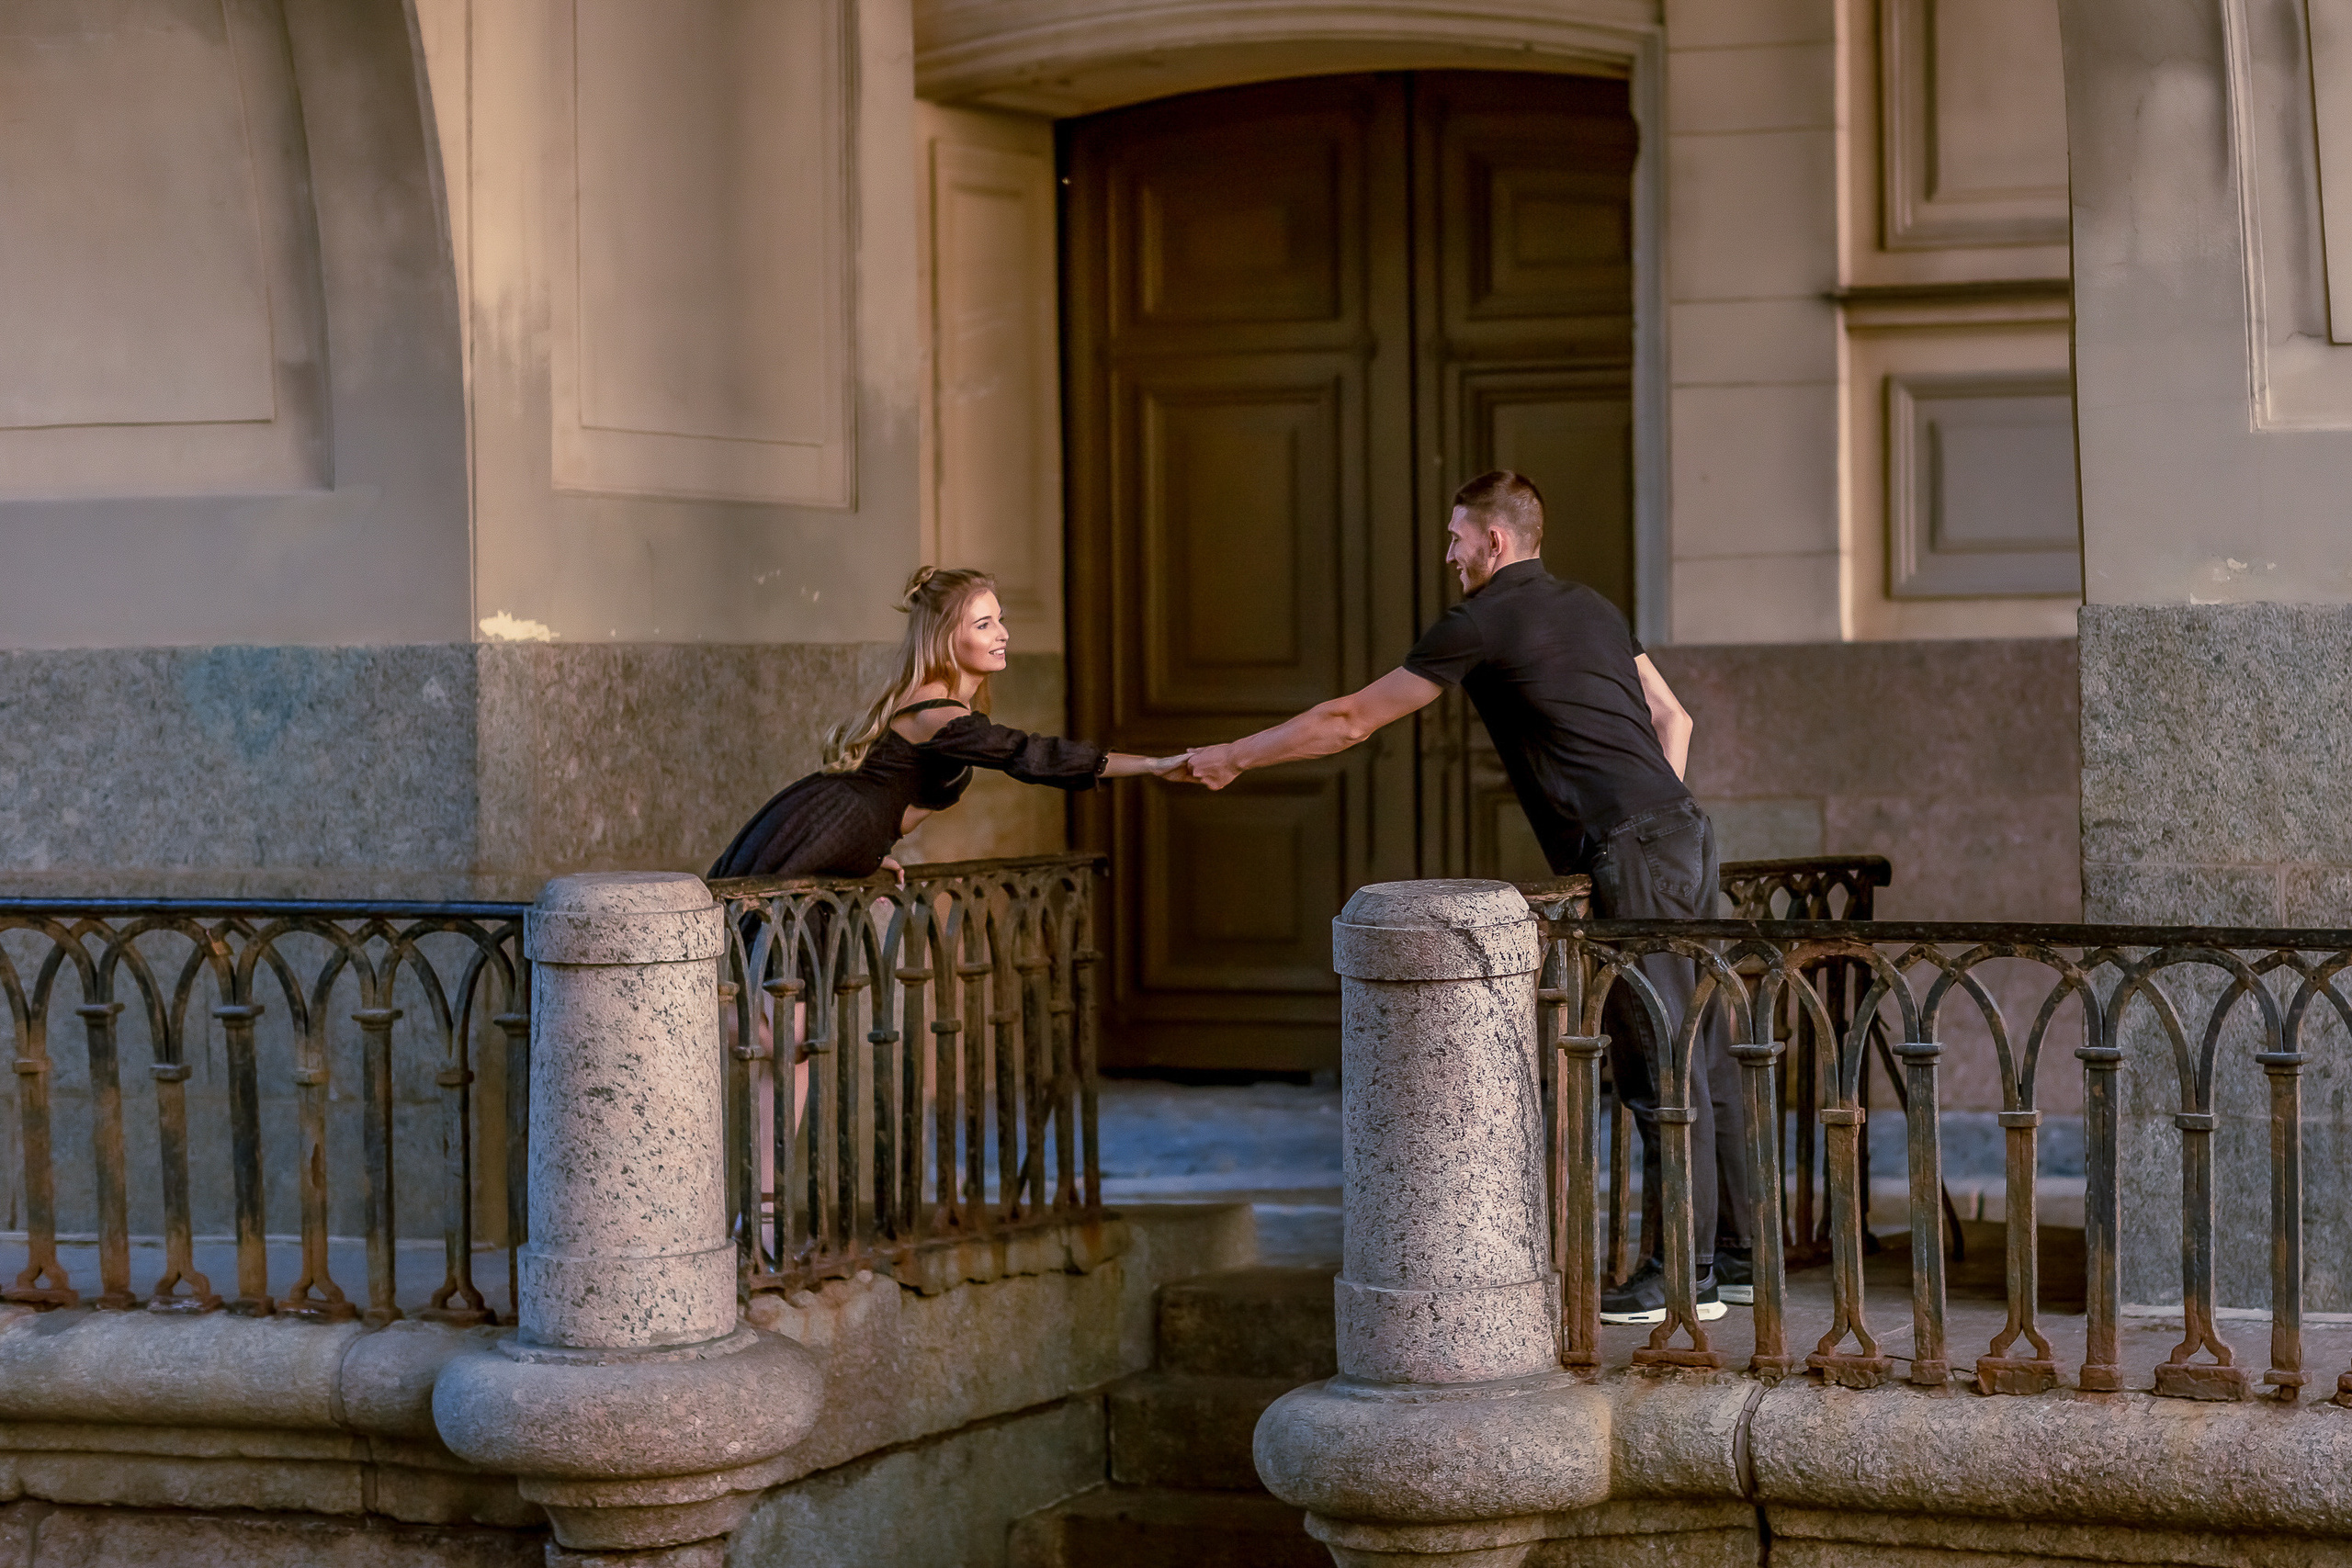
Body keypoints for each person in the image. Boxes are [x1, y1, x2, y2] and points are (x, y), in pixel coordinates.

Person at [1170, 470, 1750, 1325]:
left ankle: (1683, 1278)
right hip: (1686, 831)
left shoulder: (1483, 618)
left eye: (1455, 538)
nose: (1449, 554)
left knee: (1657, 1057)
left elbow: (1350, 720)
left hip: (1632, 847)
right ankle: (1734, 1259)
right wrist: (1656, 808)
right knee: (1703, 1049)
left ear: (1496, 542)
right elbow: (1675, 719)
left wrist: (1234, 755)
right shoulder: (1590, 604)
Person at [711, 565, 1182, 882]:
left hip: (842, 836)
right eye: (983, 625)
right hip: (825, 829)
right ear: (944, 638)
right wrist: (1155, 765)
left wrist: (871, 852)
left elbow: (888, 794)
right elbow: (1029, 755)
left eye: (999, 619)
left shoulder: (946, 706)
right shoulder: (937, 713)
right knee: (771, 1005)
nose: (1003, 634)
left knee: (782, 1005)